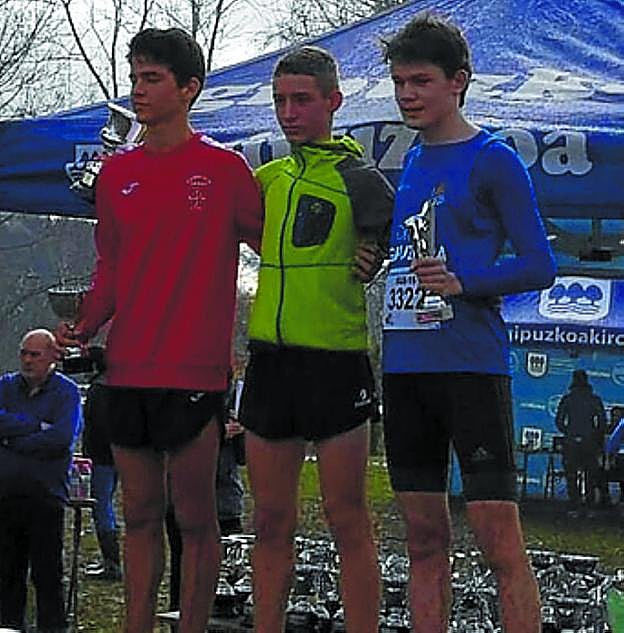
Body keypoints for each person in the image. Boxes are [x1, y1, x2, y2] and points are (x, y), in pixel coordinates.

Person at [55, 27, 263, 633]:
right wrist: (83, 324)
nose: (138, 90)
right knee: (140, 513)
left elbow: (275, 250)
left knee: (195, 518)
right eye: (135, 78)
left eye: (152, 79)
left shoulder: (224, 169)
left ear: (189, 88)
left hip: (195, 368)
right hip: (128, 367)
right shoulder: (117, 175)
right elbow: (112, 268)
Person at [381, 13, 556, 633]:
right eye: (399, 82)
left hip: (469, 366)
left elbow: (540, 264)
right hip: (406, 367)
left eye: (420, 81)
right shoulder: (411, 162)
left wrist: (465, 282)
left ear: (458, 81)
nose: (407, 95)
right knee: (423, 538)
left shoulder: (493, 158)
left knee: (496, 540)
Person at [239, 46, 394, 633]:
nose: (289, 113)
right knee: (269, 520)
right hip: (270, 361)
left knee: (347, 516)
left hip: (336, 360)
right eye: (280, 101)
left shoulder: (362, 179)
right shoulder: (267, 179)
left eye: (302, 100)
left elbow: (399, 240)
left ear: (334, 101)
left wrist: (376, 252)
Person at [0, 329, 82, 633]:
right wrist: (36, 425)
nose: (27, 360)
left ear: (51, 357)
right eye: (24, 353)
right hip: (6, 493)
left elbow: (61, 438)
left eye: (35, 355)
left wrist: (11, 440)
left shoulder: (66, 393)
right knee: (7, 572)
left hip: (45, 495)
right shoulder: (5, 386)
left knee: (47, 573)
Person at [166, 375, 246, 611]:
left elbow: (243, 457)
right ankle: (181, 616)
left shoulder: (235, 396)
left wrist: (241, 431)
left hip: (225, 498)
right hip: (183, 496)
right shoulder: (175, 393)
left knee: (229, 568)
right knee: (184, 565)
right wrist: (217, 433)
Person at [82, 346, 122, 581]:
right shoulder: (117, 385)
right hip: (116, 454)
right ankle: (112, 558)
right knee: (107, 504)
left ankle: (111, 561)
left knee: (101, 505)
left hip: (101, 457)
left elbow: (96, 426)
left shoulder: (99, 389)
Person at [556, 369, 607, 516]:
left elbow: (559, 421)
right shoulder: (594, 399)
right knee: (590, 475)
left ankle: (575, 506)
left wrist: (569, 432)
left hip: (571, 441)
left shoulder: (567, 399)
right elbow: (602, 422)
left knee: (571, 475)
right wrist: (594, 436)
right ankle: (589, 506)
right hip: (589, 442)